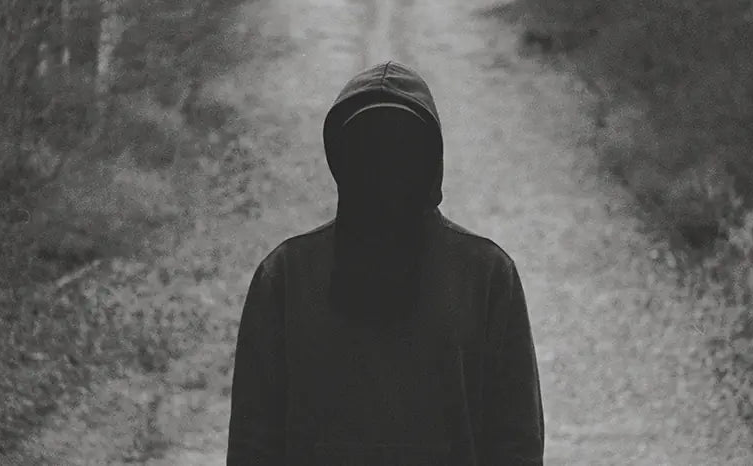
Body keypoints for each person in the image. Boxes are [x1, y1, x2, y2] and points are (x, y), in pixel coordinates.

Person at [227, 61, 544, 465]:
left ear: (428, 161)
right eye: (369, 149)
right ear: (342, 160)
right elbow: (253, 444)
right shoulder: (284, 279)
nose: (385, 165)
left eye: (401, 147)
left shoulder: (487, 277)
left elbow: (516, 443)